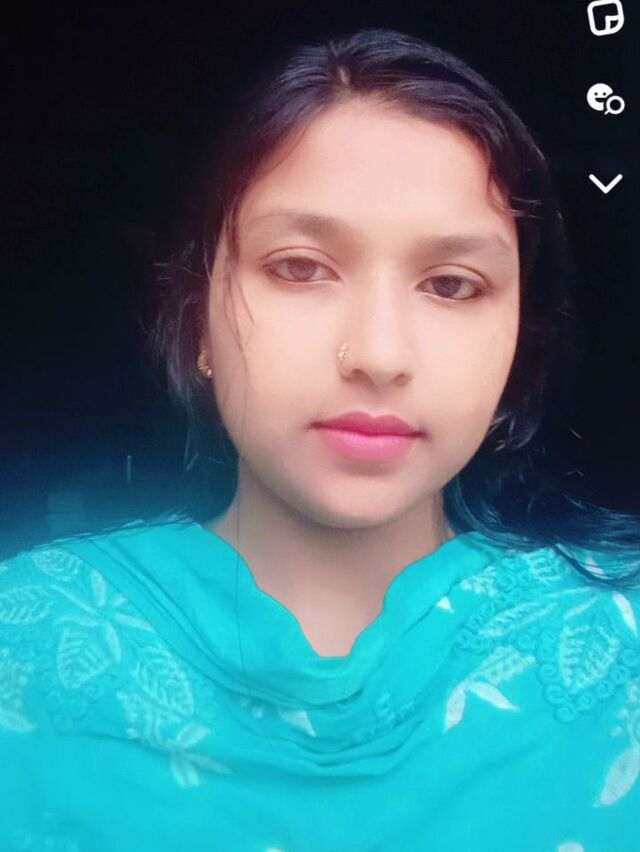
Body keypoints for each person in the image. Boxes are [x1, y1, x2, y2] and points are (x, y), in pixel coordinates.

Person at [2, 26, 639, 852]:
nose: (378, 354)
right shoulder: (23, 645)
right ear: (195, 317)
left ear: (520, 344)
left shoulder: (619, 651)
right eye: (300, 267)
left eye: (452, 284)